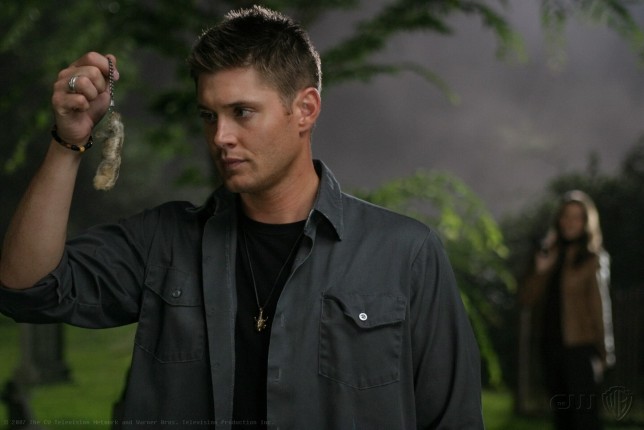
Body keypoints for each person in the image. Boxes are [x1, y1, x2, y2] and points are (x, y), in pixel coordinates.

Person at [0, 6, 483, 429]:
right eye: (209, 115)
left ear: (305, 109)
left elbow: (453, 421)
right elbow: (26, 290)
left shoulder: (406, 254)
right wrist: (68, 142)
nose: (220, 137)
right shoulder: (164, 242)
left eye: (242, 112)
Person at [520, 190, 615, 430]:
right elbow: (526, 299)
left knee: (585, 420)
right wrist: (540, 270)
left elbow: (599, 307)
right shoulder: (548, 254)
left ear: (586, 222)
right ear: (558, 220)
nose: (570, 222)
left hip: (580, 350)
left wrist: (603, 353)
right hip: (551, 348)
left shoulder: (592, 258)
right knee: (562, 419)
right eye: (566, 216)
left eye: (577, 217)